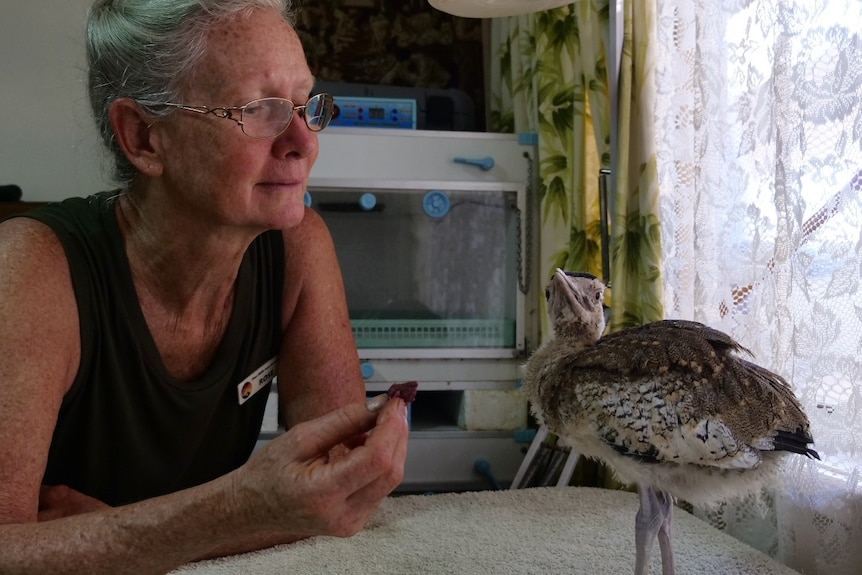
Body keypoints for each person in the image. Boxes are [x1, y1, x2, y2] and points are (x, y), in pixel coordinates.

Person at [0, 1, 409, 573]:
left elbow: (338, 496)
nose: (303, 142)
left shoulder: (298, 249)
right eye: (262, 109)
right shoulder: (33, 268)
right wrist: (243, 513)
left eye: (308, 105)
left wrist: (113, 530)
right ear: (143, 137)